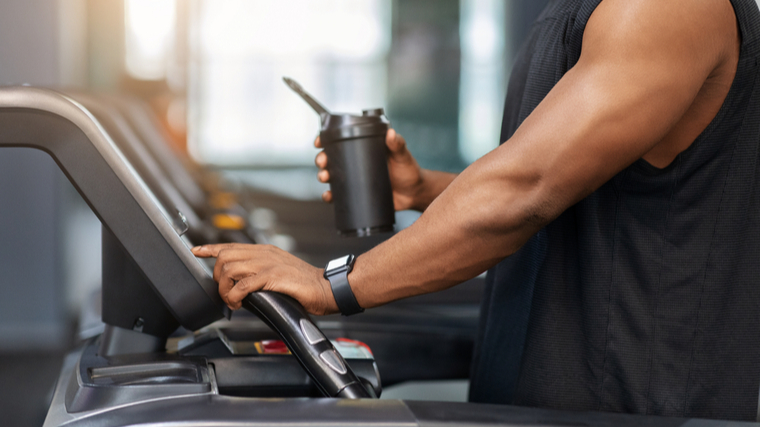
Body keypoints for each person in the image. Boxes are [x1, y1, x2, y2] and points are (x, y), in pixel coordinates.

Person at [193, 0, 760, 420]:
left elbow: (526, 190)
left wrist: (332, 284)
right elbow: (568, 185)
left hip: (636, 401)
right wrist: (425, 189)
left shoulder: (663, 8)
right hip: (552, 394)